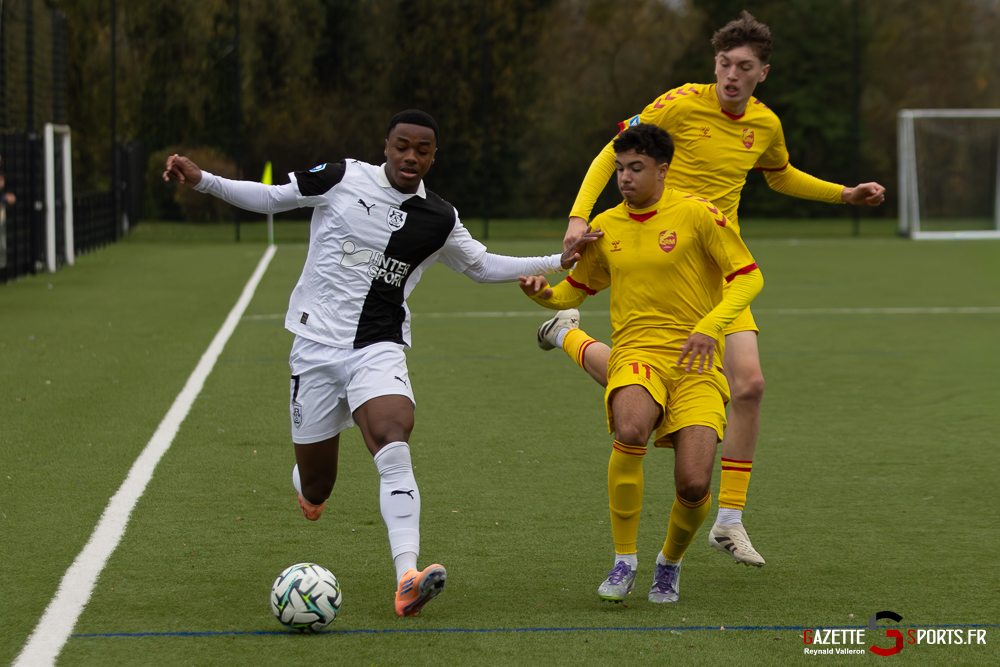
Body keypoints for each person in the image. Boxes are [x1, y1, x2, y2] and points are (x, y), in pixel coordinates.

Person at [163, 109, 600, 617]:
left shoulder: (440, 217)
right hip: (315, 346)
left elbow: (481, 265)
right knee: (317, 484)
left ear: (434, 156)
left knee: (394, 436)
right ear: (386, 146)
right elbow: (272, 197)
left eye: (422, 149)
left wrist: (555, 261)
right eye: (402, 146)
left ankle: (407, 576)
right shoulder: (343, 176)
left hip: (379, 343)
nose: (410, 156)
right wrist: (203, 181)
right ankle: (309, 488)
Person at [543, 11, 886, 567]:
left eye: (743, 67)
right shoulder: (678, 102)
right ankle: (570, 336)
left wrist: (843, 194)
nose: (731, 75)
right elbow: (615, 149)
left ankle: (728, 519)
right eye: (724, 64)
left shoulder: (766, 124)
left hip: (718, 267)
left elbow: (780, 174)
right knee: (649, 374)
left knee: (749, 384)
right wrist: (579, 217)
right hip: (662, 249)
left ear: (762, 73)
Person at [521, 122, 762, 604]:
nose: (625, 178)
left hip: (696, 361)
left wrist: (710, 327)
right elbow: (578, 289)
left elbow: (748, 279)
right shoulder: (605, 226)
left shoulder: (698, 215)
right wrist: (546, 295)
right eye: (620, 169)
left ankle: (668, 564)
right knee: (629, 430)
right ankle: (623, 560)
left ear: (662, 170)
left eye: (636, 168)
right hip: (636, 352)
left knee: (693, 485)